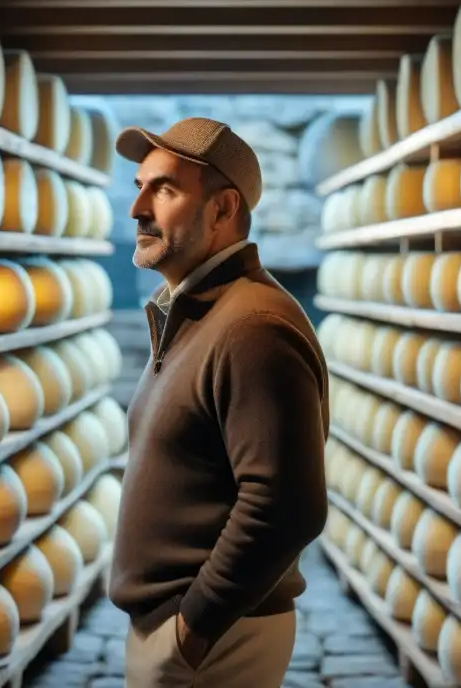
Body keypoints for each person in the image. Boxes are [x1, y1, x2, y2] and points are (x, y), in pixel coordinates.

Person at [107, 116, 330, 687]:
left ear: (223, 209)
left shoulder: (253, 326)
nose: (138, 209)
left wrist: (193, 629)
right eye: (140, 186)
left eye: (165, 189)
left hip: (219, 638)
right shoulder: (197, 311)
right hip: (184, 629)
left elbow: (287, 504)